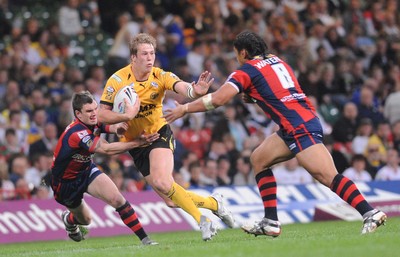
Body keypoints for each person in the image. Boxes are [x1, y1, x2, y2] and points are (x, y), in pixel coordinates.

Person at [163, 30, 387, 236]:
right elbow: (278, 89)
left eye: (236, 54)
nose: (237, 59)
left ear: (243, 52)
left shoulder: (246, 70)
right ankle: (271, 222)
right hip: (296, 124)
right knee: (259, 159)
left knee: (327, 176)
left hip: (299, 127)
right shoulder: (279, 61)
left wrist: (185, 108)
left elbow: (219, 99)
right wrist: (253, 94)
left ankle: (370, 212)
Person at [98, 33, 235, 241]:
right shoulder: (117, 80)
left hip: (158, 134)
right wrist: (123, 117)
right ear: (133, 57)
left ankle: (203, 220)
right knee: (171, 200)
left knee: (163, 182)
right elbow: (101, 114)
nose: (149, 58)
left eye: (152, 53)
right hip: (135, 144)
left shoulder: (160, 75)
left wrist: (195, 91)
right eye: (144, 54)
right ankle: (215, 204)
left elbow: (184, 88)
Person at [51, 91, 159, 245]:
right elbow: (107, 149)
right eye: (89, 111)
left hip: (86, 170)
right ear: (78, 114)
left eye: (95, 109)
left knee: (117, 199)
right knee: (86, 220)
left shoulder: (94, 120)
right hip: (66, 183)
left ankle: (146, 240)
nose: (94, 114)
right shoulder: (77, 133)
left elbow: (109, 127)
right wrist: (137, 143)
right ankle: (69, 219)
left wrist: (119, 128)